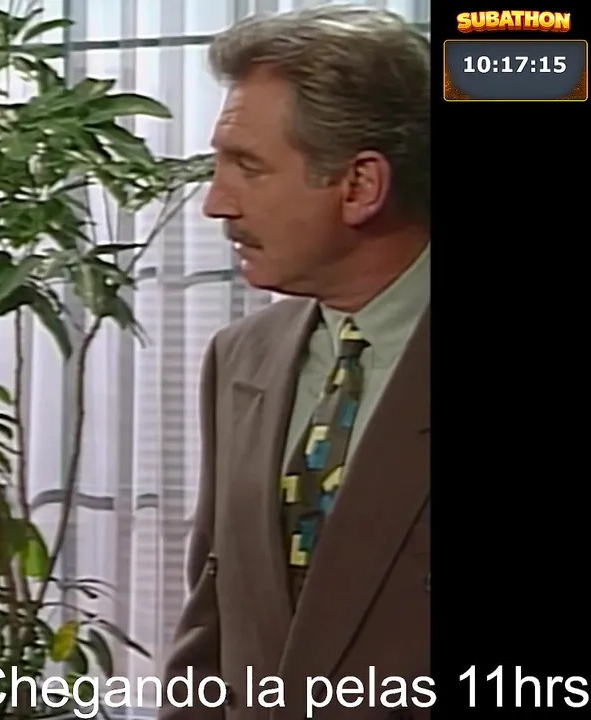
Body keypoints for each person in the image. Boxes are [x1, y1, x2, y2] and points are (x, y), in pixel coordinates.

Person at [161, 7, 430, 720]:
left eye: (247, 167)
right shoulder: (238, 360)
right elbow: (211, 634)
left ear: (360, 186)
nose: (215, 203)